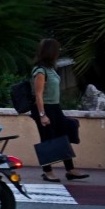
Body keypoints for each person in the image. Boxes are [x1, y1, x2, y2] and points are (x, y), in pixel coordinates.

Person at [30, 38, 90, 182]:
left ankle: (70, 170)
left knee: (64, 136)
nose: (59, 52)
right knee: (47, 139)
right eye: (57, 50)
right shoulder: (40, 71)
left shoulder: (51, 69)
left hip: (55, 107)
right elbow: (38, 95)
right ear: (52, 52)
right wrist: (42, 115)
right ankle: (47, 172)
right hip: (44, 108)